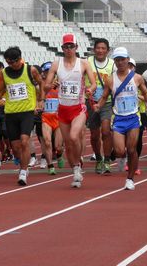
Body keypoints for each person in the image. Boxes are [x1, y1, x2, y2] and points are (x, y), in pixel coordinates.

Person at [44, 33, 96, 188]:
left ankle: (79, 160)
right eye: (66, 47)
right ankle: (75, 169)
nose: (68, 49)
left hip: (78, 108)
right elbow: (46, 85)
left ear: (76, 47)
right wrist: (51, 84)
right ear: (62, 48)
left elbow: (93, 84)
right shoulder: (56, 64)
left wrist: (89, 90)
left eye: (71, 46)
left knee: (74, 136)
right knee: (67, 142)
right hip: (63, 109)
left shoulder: (84, 63)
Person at [96, 47, 147, 191]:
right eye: (117, 60)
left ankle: (130, 178)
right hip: (118, 118)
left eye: (122, 59)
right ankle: (124, 160)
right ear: (114, 61)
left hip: (133, 118)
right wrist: (98, 106)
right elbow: (104, 97)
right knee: (120, 151)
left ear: (127, 59)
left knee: (132, 149)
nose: (120, 62)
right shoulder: (109, 79)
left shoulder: (137, 77)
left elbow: (145, 92)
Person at [0, 47, 44, 186]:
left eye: (14, 62)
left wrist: (41, 100)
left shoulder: (30, 70)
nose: (12, 65)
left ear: (20, 58)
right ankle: (23, 164)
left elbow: (41, 83)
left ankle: (23, 171)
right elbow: (1, 92)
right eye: (8, 62)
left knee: (25, 141)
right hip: (11, 113)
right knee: (16, 147)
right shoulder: (4, 73)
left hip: (27, 112)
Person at [86, 38, 115, 175]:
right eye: (98, 48)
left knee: (105, 131)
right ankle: (98, 158)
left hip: (106, 102)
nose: (100, 51)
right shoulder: (87, 62)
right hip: (91, 102)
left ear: (107, 51)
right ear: (94, 49)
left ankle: (107, 160)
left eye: (103, 48)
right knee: (94, 135)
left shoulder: (112, 64)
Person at [40, 61, 63, 174]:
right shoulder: (40, 86)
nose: (48, 74)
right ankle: (50, 165)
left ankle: (59, 155)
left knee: (58, 146)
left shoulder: (61, 85)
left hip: (59, 119)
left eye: (51, 72)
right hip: (46, 118)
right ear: (43, 74)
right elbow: (38, 100)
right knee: (47, 141)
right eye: (46, 72)